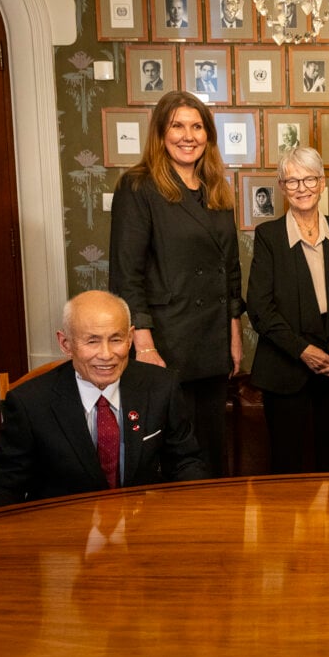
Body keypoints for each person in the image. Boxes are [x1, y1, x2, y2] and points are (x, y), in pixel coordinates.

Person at [109, 91, 244, 478]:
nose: (189, 136)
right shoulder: (138, 187)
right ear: (161, 134)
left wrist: (233, 335)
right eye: (178, 126)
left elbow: (230, 270)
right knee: (173, 453)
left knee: (211, 449)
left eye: (197, 126)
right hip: (167, 342)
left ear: (208, 134)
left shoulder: (216, 186)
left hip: (212, 342)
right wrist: (145, 347)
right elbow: (126, 275)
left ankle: (215, 529)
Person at [0, 291, 209, 509]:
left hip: (143, 526)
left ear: (130, 339)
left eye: (116, 339)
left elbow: (186, 463)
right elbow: (2, 487)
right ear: (65, 344)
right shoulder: (29, 402)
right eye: (92, 341)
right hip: (64, 534)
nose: (107, 354)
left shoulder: (161, 386)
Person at [247, 147, 329, 473]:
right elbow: (260, 308)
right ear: (283, 187)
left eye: (309, 179)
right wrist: (302, 350)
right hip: (286, 370)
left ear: (322, 183)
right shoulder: (269, 236)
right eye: (292, 181)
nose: (302, 188)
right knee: (287, 465)